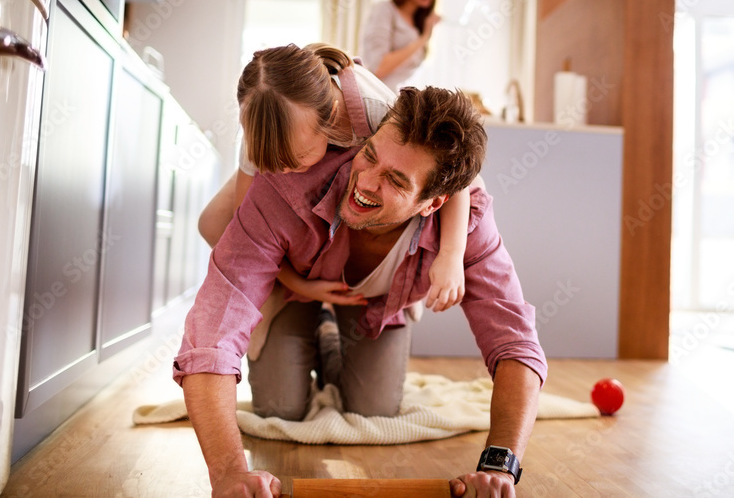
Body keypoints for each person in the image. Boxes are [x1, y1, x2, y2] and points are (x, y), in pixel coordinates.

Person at [174, 87, 547, 498]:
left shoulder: (470, 226)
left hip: (378, 304)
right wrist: (228, 471)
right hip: (290, 285)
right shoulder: (286, 187)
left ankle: (330, 337)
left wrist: (501, 463)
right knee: (281, 406)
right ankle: (309, 321)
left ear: (432, 203)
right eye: (369, 155)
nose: (365, 183)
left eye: (395, 180)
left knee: (374, 408)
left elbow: (514, 340)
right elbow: (214, 326)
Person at [196, 43, 467, 314]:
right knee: (211, 223)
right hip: (293, 154)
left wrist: (451, 256)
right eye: (274, 162)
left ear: (332, 118)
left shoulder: (377, 109)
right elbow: (248, 228)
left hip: (358, 181)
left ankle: (399, 289)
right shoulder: (264, 124)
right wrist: (298, 284)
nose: (284, 172)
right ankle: (277, 289)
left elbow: (461, 179)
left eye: (297, 157)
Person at [358, 0, 440, 91]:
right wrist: (424, 38)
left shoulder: (418, 22)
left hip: (397, 103)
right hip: (376, 98)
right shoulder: (384, 10)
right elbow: (378, 67)